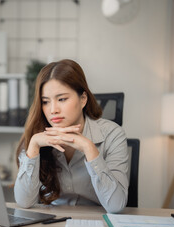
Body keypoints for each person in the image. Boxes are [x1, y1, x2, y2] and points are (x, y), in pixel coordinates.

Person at [14, 59, 129, 213]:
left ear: (83, 99)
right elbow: (24, 202)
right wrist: (34, 145)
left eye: (62, 99)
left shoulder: (113, 134)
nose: (53, 110)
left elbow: (116, 206)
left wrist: (89, 148)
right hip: (52, 224)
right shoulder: (36, 134)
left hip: (98, 223)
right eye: (45, 102)